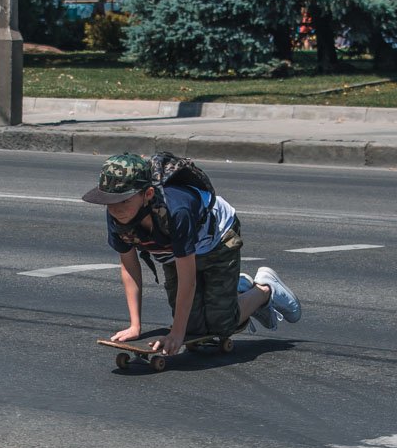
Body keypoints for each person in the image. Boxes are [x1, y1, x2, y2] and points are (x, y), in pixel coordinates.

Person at [83, 152, 301, 356]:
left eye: (124, 200)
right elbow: (129, 267)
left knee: (221, 325)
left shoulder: (176, 212)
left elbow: (188, 279)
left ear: (147, 194)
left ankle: (264, 290)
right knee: (194, 328)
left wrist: (177, 334)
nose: (116, 208)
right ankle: (235, 288)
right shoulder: (117, 217)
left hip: (217, 241)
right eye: (110, 201)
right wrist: (135, 325)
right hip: (173, 252)